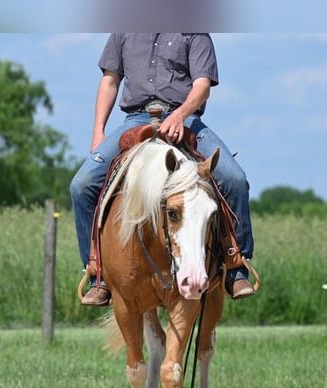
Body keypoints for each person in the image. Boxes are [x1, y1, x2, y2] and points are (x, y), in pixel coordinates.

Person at [70, 33, 256, 306]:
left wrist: (180, 115)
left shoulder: (195, 31)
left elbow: (202, 85)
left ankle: (235, 266)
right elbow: (110, 80)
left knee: (234, 179)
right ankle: (99, 276)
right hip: (135, 119)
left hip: (186, 118)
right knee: (82, 185)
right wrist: (98, 131)